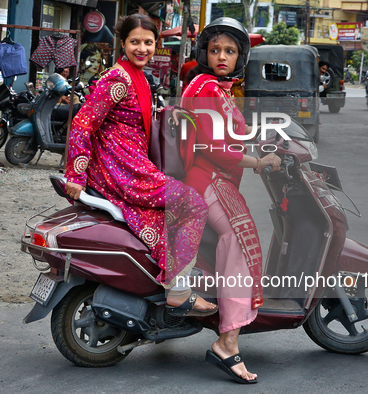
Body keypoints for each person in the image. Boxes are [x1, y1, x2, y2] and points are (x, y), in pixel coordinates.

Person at [64, 14, 217, 316]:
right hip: (123, 171)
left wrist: (169, 111)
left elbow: (133, 116)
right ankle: (178, 289)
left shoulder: (137, 78)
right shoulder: (118, 79)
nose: (142, 48)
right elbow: (82, 123)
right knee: (194, 205)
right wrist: (75, 175)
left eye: (148, 43)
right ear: (123, 43)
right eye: (135, 42)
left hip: (130, 166)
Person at [181, 17, 281, 383]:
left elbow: (228, 136)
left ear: (240, 56)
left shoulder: (219, 89)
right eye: (215, 50)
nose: (222, 56)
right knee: (240, 240)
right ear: (204, 53)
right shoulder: (207, 87)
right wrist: (257, 161)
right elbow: (214, 147)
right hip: (207, 178)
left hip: (215, 178)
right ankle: (228, 342)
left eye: (230, 50)